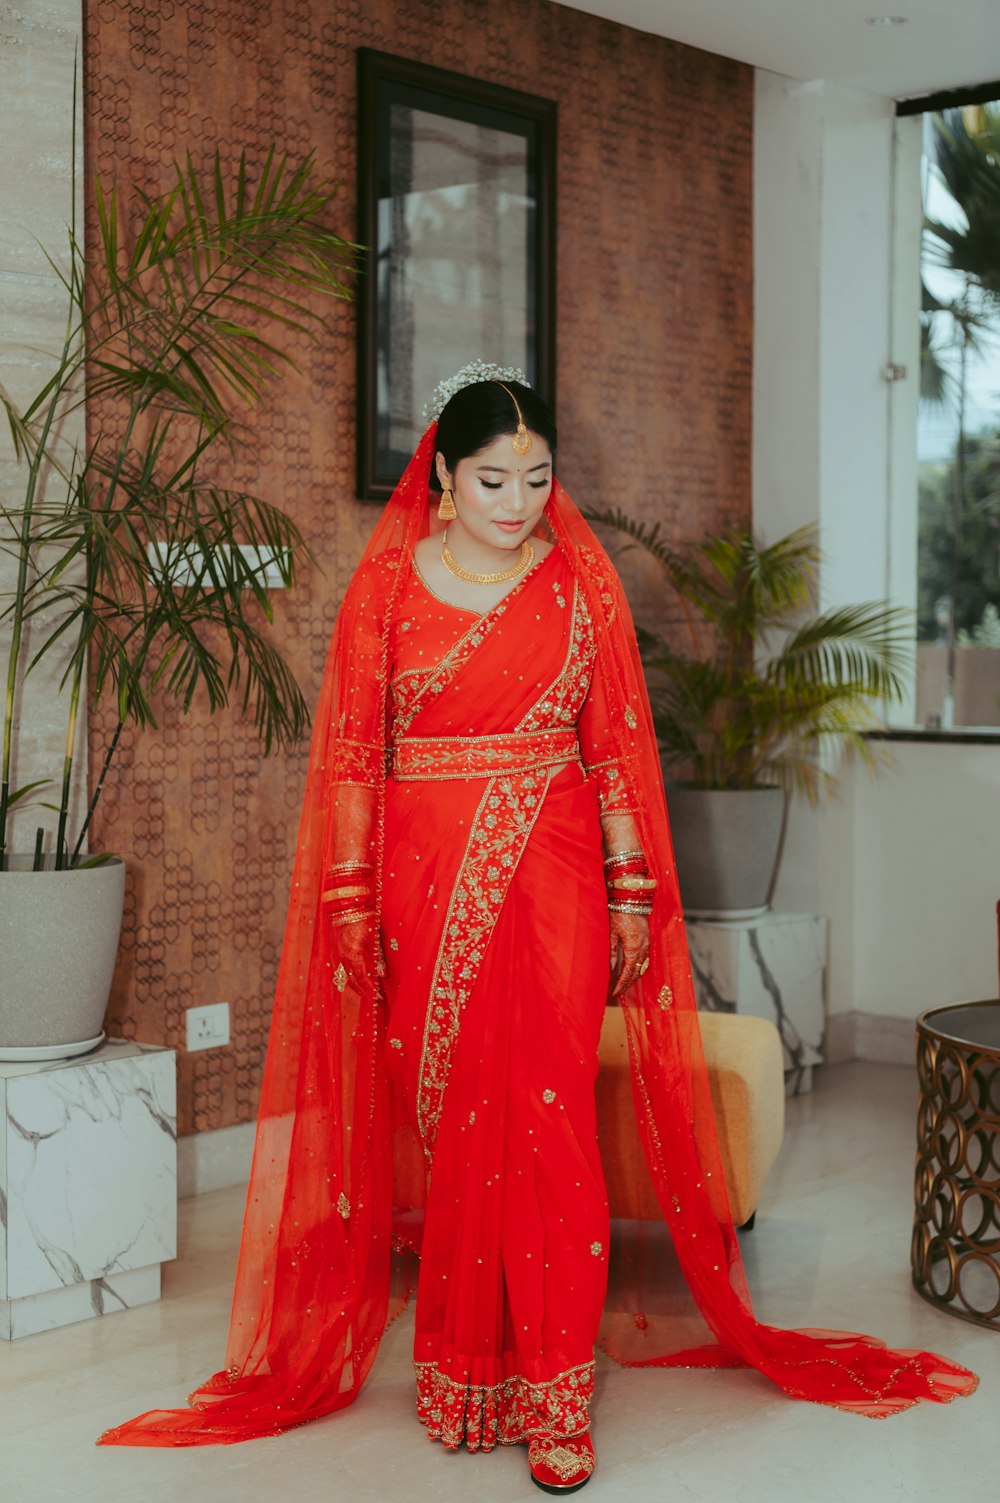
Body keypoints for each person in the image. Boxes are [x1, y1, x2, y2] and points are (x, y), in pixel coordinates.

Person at [98, 363, 976, 1493]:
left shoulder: (576, 590)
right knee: (459, 1119)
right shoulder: (388, 591)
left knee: (547, 1121)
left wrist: (627, 896)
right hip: (419, 878)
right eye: (493, 479)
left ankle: (555, 1388)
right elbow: (356, 761)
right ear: (444, 477)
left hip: (554, 871)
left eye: (537, 478)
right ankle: (468, 1368)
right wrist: (351, 899)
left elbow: (612, 754)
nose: (517, 502)